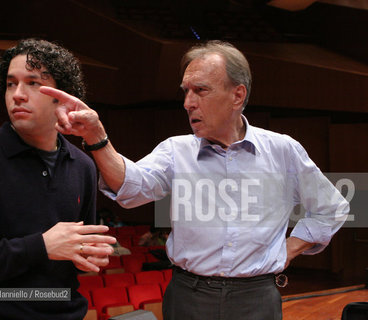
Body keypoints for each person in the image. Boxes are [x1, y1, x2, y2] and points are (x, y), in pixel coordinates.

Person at [40, 40, 350, 320]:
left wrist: (289, 249)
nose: (188, 102)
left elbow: (332, 208)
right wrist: (97, 137)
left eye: (200, 90)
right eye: (186, 91)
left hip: (256, 300)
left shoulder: (283, 150)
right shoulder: (176, 150)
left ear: (237, 95)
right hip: (188, 297)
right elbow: (130, 187)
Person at [0, 39, 116, 320]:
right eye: (10, 83)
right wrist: (40, 247)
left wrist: (88, 255)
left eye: (32, 83)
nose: (17, 94)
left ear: (62, 94)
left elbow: (72, 258)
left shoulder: (83, 166)